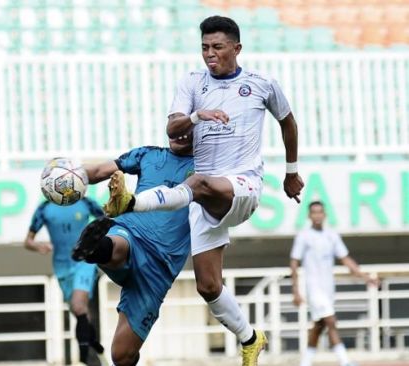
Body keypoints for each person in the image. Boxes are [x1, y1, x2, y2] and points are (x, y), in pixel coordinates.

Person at [102, 15, 305, 365]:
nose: (210, 54)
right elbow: (173, 125)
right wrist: (198, 116)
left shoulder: (262, 84)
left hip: (242, 185)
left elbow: (287, 121)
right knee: (208, 286)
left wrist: (291, 172)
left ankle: (130, 203)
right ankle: (251, 339)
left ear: (236, 49)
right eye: (205, 48)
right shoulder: (192, 83)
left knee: (196, 183)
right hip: (205, 198)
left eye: (218, 47)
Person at [70, 135, 194, 366]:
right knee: (118, 248)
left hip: (160, 267)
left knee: (122, 355)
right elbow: (97, 171)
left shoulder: (207, 169)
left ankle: (97, 246)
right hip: (132, 234)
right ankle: (94, 247)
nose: (179, 133)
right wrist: (70, 175)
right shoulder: (148, 154)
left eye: (187, 129)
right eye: (175, 126)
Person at [290, 201, 379, 366]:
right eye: (314, 212)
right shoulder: (304, 236)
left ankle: (306, 362)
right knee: (330, 320)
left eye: (320, 212)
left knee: (319, 324)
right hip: (313, 287)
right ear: (309, 215)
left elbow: (346, 259)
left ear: (324, 215)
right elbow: (294, 262)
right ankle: (344, 361)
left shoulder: (332, 235)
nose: (317, 215)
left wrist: (366, 277)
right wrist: (295, 291)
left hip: (328, 288)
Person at [24, 196, 106, 364]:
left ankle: (85, 357)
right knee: (80, 312)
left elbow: (106, 220)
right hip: (62, 266)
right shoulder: (44, 209)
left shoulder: (86, 203)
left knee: (78, 305)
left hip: (84, 261)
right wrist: (39, 246)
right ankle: (92, 341)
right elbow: (28, 241)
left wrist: (98, 240)